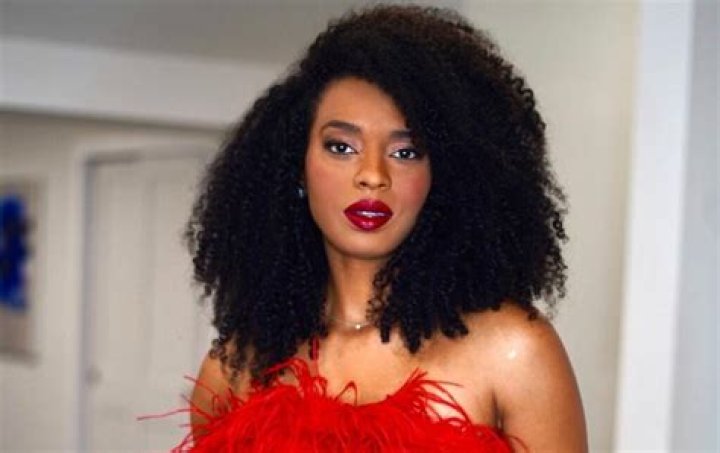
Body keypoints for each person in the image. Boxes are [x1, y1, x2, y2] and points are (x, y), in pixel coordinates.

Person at [181, 4, 587, 452]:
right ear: (295, 167)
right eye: (341, 147)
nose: (373, 175)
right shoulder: (235, 370)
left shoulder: (514, 353)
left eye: (405, 152)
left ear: (443, 177)